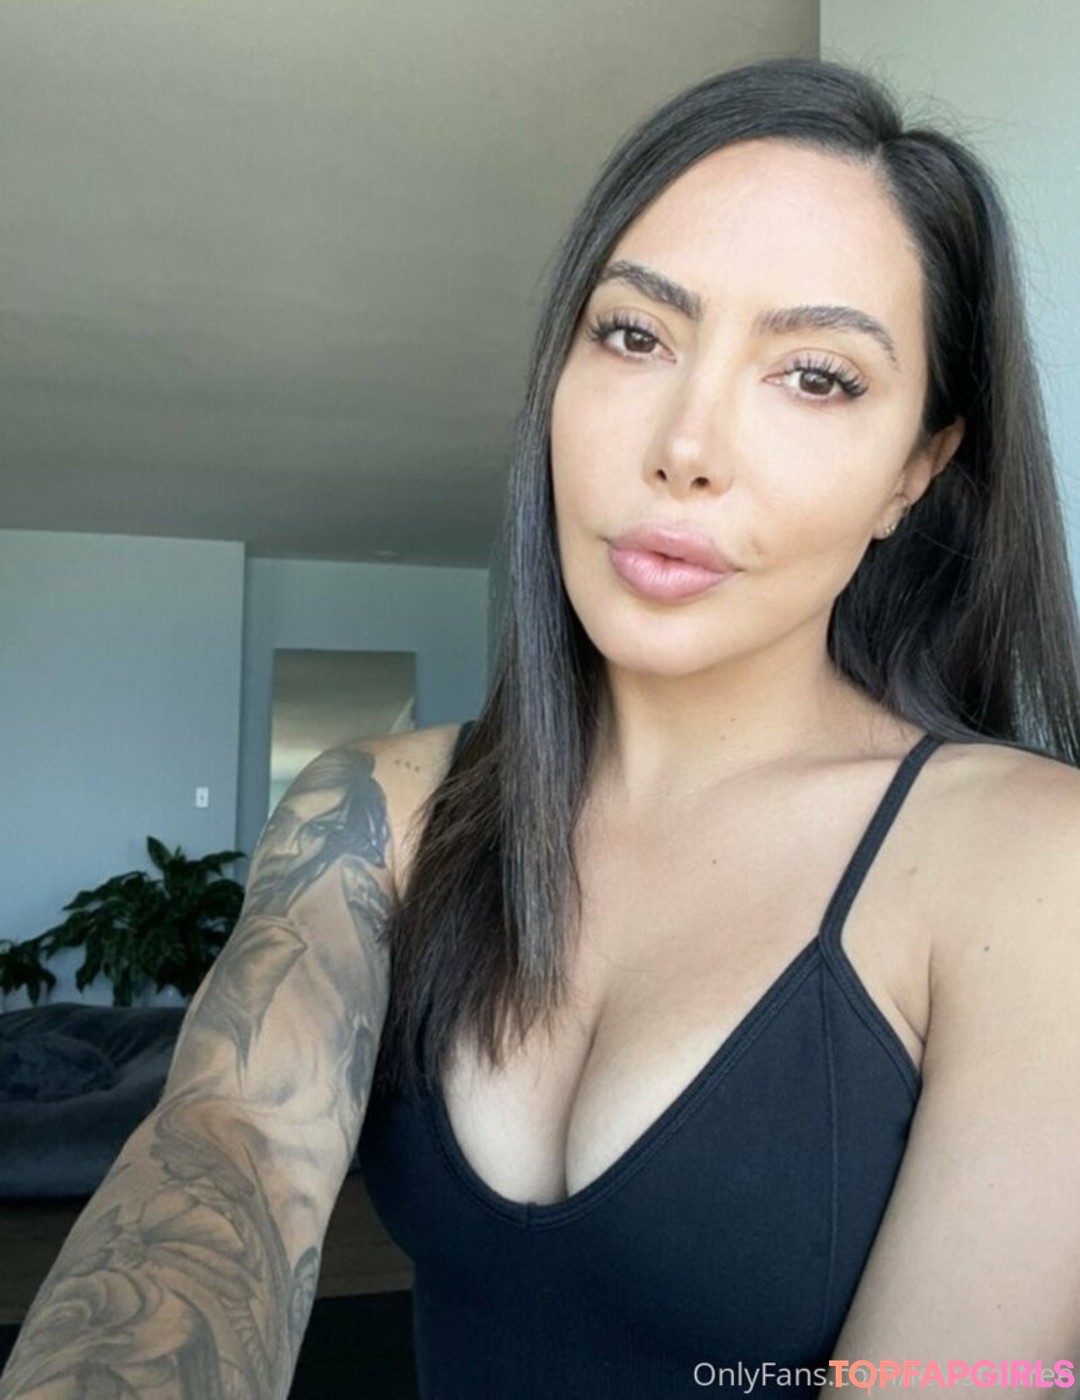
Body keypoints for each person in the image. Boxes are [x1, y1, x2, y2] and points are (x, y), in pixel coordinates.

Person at [3, 54, 1080, 1400]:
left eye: (815, 375)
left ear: (915, 470)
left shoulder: (1029, 865)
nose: (686, 445)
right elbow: (218, 1154)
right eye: (634, 334)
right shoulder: (376, 811)